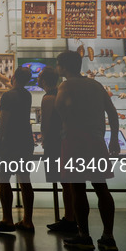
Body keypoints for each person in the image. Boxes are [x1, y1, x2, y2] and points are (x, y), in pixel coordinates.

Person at [55, 50, 119, 251]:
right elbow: (112, 113)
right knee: (102, 188)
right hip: (96, 141)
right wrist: (114, 139)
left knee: (78, 188)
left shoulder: (65, 85)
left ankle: (84, 235)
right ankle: (108, 236)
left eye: (58, 65)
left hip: (74, 142)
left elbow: (60, 111)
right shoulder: (96, 85)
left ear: (63, 67)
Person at [0, 66, 35, 233]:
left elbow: (3, 121)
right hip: (25, 141)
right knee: (24, 179)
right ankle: (27, 220)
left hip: (9, 142)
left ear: (14, 76)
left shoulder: (8, 96)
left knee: (3, 178)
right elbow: (9, 82)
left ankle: (7, 218)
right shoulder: (26, 94)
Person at [38, 67, 76, 233]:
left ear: (44, 81)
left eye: (39, 78)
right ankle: (71, 216)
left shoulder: (48, 98)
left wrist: (44, 139)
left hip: (54, 142)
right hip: (65, 139)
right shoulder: (61, 94)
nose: (37, 80)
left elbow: (46, 123)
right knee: (67, 181)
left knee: (65, 181)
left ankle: (70, 218)